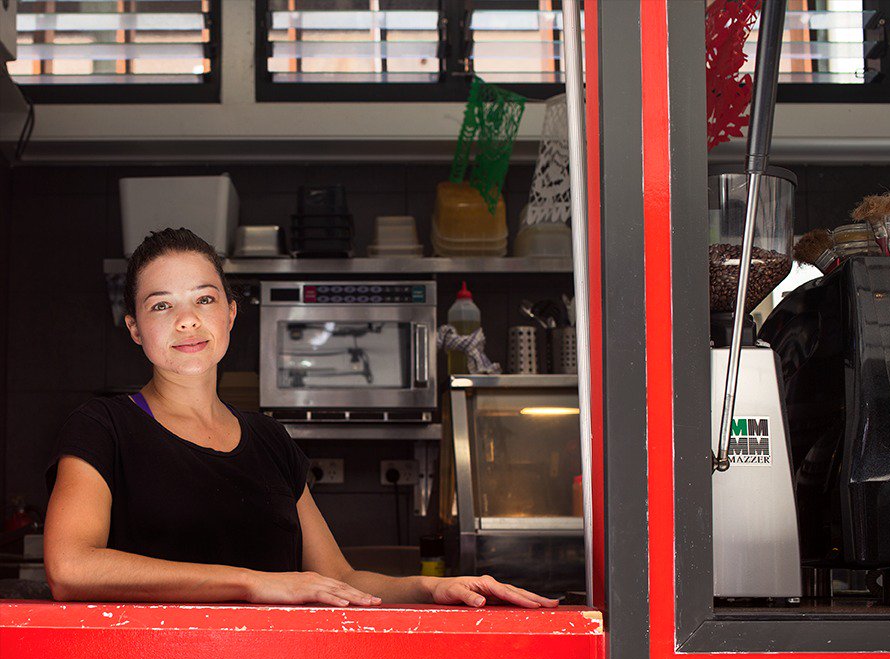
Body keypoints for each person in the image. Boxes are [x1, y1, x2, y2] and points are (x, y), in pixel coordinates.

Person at [43, 228, 558, 610]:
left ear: (230, 314)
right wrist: (253, 582)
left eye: (204, 299)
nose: (187, 320)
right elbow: (71, 567)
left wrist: (430, 588)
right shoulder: (103, 427)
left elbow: (337, 578)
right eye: (161, 306)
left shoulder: (270, 440)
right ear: (135, 328)